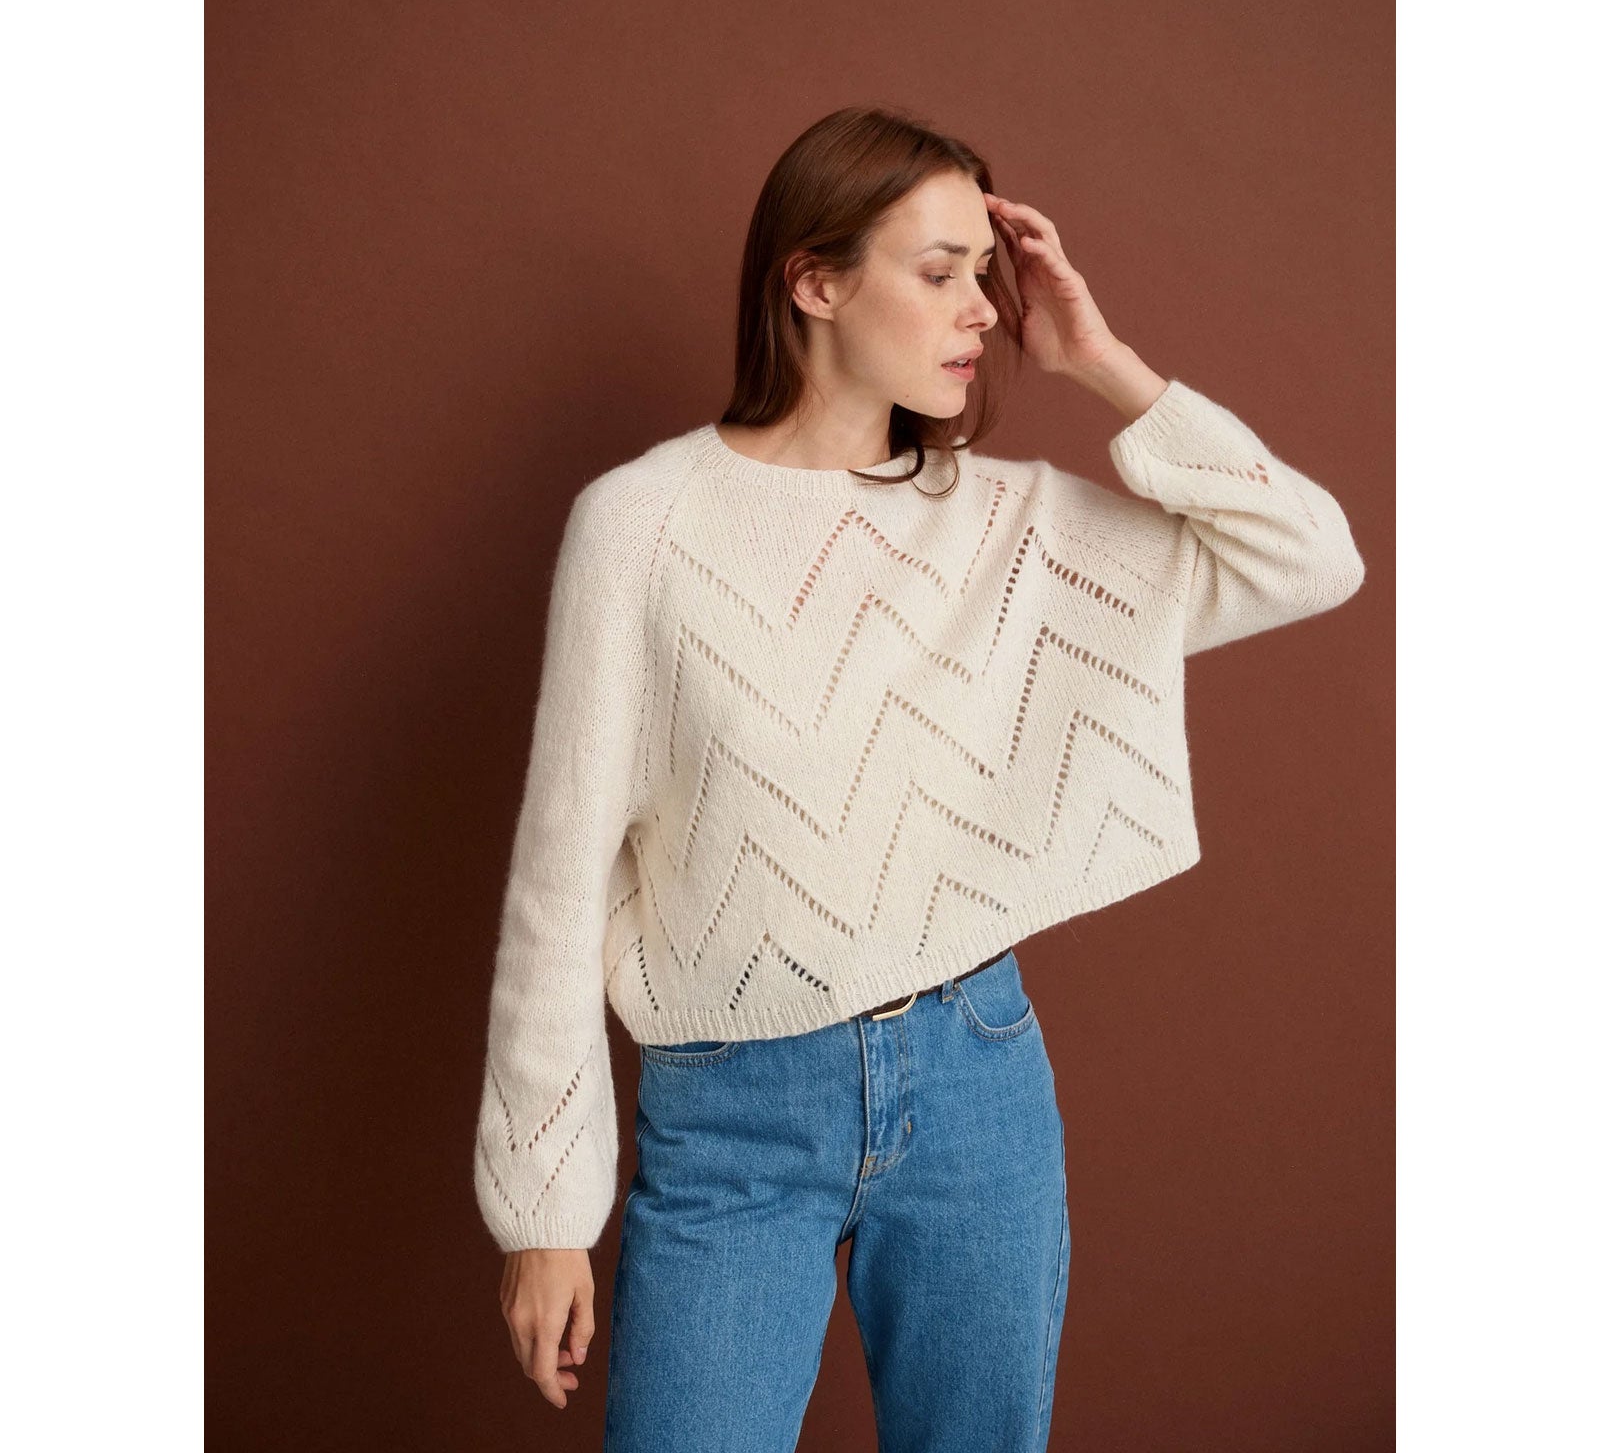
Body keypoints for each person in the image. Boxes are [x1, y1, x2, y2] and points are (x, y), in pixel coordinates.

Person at [472, 105, 1366, 1451]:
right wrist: (543, 1216)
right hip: (732, 1115)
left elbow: (1311, 556)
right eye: (939, 272)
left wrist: (1105, 362)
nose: (983, 312)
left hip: (972, 1082)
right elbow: (560, 880)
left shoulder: (1011, 528)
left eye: (984, 276)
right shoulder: (642, 526)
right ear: (815, 282)